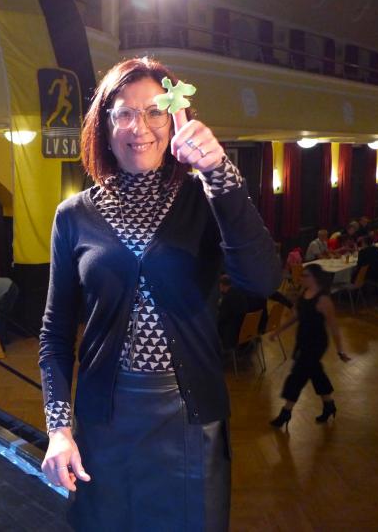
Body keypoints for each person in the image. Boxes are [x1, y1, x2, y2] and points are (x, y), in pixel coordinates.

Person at [38, 57, 281, 531]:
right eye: (124, 113)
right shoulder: (73, 216)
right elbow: (55, 333)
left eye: (154, 112)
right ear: (104, 126)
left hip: (190, 416)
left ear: (174, 119)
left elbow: (261, 280)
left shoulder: (204, 198)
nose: (140, 127)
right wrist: (58, 429)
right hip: (105, 420)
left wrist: (219, 173)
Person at [268, 264, 351, 429]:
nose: (301, 278)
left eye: (305, 275)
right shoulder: (304, 293)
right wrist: (278, 330)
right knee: (315, 372)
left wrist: (340, 350)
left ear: (314, 278)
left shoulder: (323, 300)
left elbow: (334, 327)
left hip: (317, 342)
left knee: (297, 375)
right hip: (303, 339)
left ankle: (286, 412)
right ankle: (329, 405)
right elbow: (297, 316)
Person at [217, 275, 249, 351]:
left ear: (221, 285)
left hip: (233, 333)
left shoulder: (227, 298)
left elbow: (221, 318)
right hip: (245, 330)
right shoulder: (239, 293)